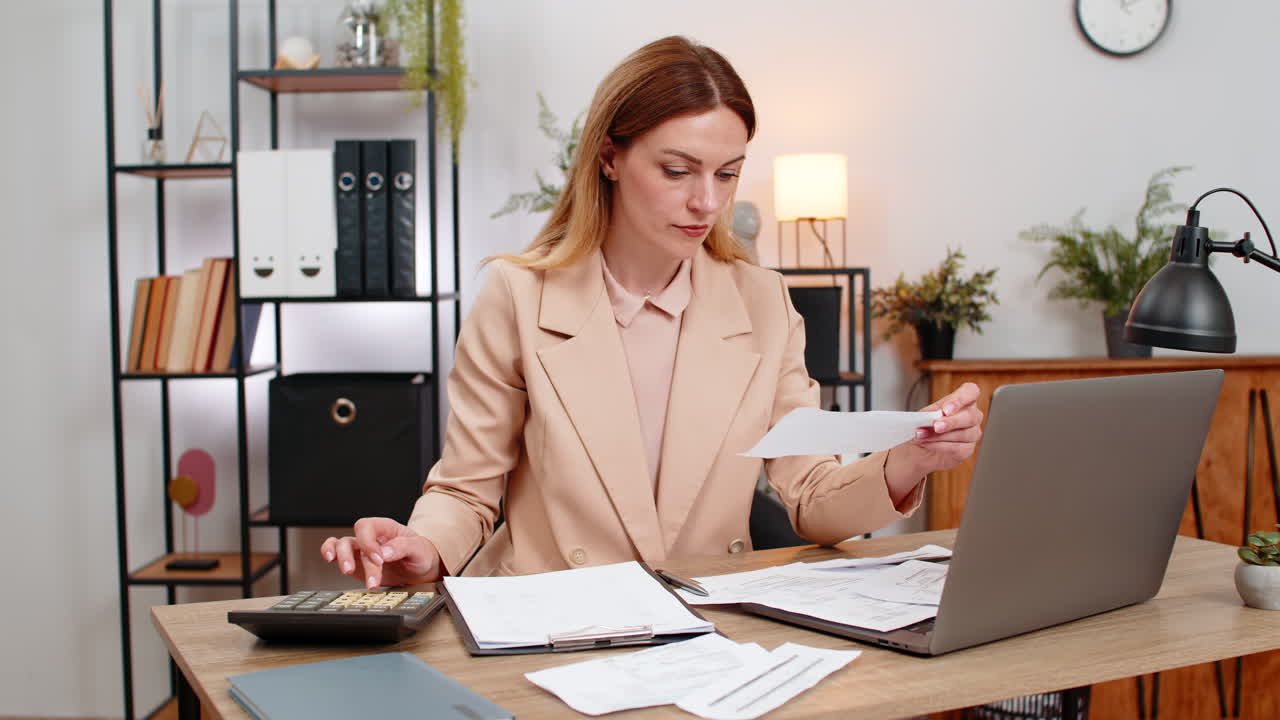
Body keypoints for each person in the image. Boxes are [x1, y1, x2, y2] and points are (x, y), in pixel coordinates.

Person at [321, 36, 982, 588]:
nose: (706, 202)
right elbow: (467, 491)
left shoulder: (762, 303)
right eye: (677, 170)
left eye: (727, 174)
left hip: (707, 628)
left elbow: (808, 490)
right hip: (545, 626)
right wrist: (422, 547)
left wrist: (909, 461)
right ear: (609, 157)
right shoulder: (516, 296)